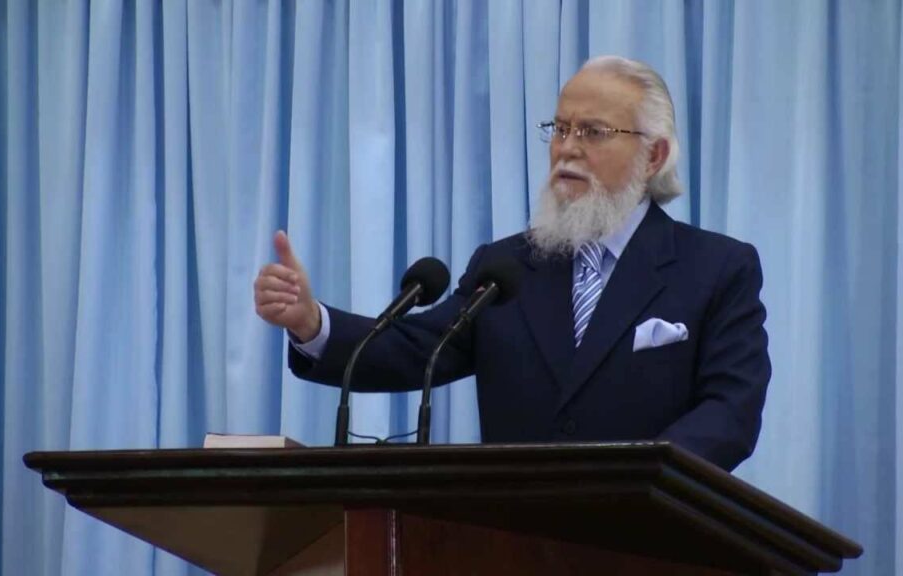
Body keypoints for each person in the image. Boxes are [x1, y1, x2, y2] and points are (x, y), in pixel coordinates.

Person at [253, 56, 770, 471]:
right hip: (512, 538)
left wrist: (642, 480)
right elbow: (416, 350)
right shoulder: (507, 267)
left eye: (592, 132)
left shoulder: (717, 269)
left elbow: (731, 410)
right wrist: (311, 323)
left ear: (653, 156)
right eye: (560, 129)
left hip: (647, 534)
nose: (567, 149)